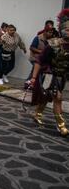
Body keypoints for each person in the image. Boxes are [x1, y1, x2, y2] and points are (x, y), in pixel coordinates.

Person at [30, 9, 69, 137]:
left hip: (61, 77)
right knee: (58, 98)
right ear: (62, 29)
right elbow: (39, 60)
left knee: (47, 97)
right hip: (49, 74)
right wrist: (34, 78)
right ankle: (61, 126)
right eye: (67, 29)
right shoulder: (53, 44)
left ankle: (38, 113)